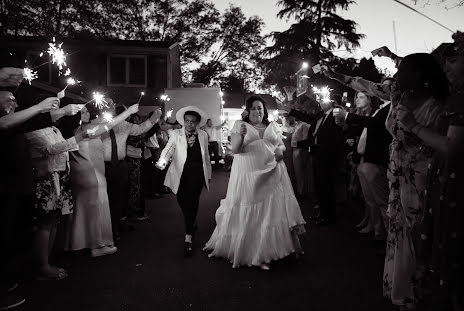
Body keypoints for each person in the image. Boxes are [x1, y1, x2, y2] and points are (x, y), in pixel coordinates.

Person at [322, 52, 449, 310]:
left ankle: (419, 290)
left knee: (418, 230)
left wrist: (414, 128)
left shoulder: (436, 106)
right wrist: (336, 76)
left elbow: (445, 146)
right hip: (396, 173)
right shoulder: (397, 94)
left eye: (402, 70)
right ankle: (399, 287)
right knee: (398, 228)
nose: (396, 75)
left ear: (419, 75)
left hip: (421, 176)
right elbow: (366, 85)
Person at [397, 33, 464, 311]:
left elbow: (450, 146)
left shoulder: (444, 105)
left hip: (438, 175)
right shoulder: (405, 97)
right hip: (416, 174)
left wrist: (413, 126)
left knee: (444, 240)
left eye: (454, 59)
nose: (447, 66)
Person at [204, 96, 306, 270]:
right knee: (249, 209)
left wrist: (281, 151)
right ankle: (253, 252)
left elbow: (280, 145)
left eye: (260, 108)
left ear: (264, 110)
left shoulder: (272, 125)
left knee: (271, 212)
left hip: (272, 171)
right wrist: (242, 137)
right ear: (247, 111)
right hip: (248, 174)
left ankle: (269, 251)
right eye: (253, 109)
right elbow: (236, 150)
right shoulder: (240, 125)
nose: (257, 112)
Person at [64, 103, 139, 256]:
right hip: (92, 174)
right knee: (97, 210)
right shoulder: (84, 131)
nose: (86, 114)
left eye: (86, 111)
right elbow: (109, 125)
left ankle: (79, 244)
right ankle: (97, 245)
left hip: (82, 174)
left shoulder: (78, 130)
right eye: (82, 113)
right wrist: (129, 111)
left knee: (84, 211)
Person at [100, 103, 162, 241]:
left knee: (118, 198)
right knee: (103, 200)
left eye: (111, 103)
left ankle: (114, 229)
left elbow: (140, 129)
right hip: (101, 165)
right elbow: (106, 127)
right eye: (106, 103)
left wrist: (154, 119)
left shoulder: (123, 125)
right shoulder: (97, 125)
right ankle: (101, 232)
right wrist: (128, 112)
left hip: (120, 164)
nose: (109, 105)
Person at [157, 106, 212, 256]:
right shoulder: (175, 134)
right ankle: (191, 221)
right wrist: (163, 160)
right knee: (182, 200)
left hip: (197, 175)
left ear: (198, 123)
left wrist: (208, 174)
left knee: (192, 202)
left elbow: (206, 156)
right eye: (187, 121)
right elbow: (168, 149)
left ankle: (188, 237)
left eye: (193, 122)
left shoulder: (203, 135)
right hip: (180, 174)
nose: (189, 124)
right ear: (183, 121)